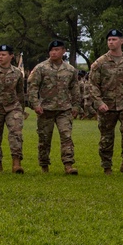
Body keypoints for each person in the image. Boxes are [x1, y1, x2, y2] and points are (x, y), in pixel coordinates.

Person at [88, 29, 123, 175]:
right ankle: (107, 166)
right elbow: (92, 85)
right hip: (107, 104)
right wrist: (99, 103)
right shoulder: (100, 63)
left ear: (121, 41)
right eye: (109, 40)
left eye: (114, 39)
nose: (111, 42)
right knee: (106, 137)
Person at [28, 40, 80, 175]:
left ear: (63, 51)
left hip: (64, 109)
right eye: (51, 50)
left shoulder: (70, 70)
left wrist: (76, 106)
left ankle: (68, 165)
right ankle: (44, 165)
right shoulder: (41, 68)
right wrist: (35, 104)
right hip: (45, 109)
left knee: (66, 136)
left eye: (57, 50)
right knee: (44, 139)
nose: (53, 52)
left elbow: (75, 89)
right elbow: (33, 87)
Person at [0, 45, 27, 174]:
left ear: (11, 56)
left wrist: (22, 109)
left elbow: (20, 92)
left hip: (13, 107)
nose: (0, 57)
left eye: (3, 54)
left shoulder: (17, 72)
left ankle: (16, 163)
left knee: (16, 133)